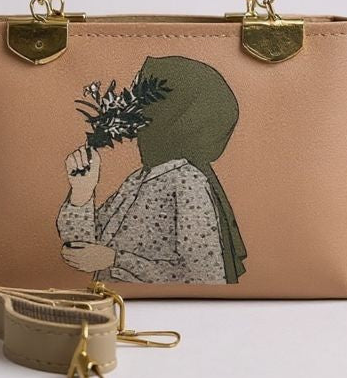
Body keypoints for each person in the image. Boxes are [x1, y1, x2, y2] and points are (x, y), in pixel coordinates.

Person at [56, 56, 247, 284]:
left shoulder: (187, 183)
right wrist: (82, 193)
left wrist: (115, 260)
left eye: (138, 96)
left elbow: (205, 278)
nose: (126, 105)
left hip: (158, 306)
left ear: (169, 110)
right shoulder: (141, 178)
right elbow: (87, 246)